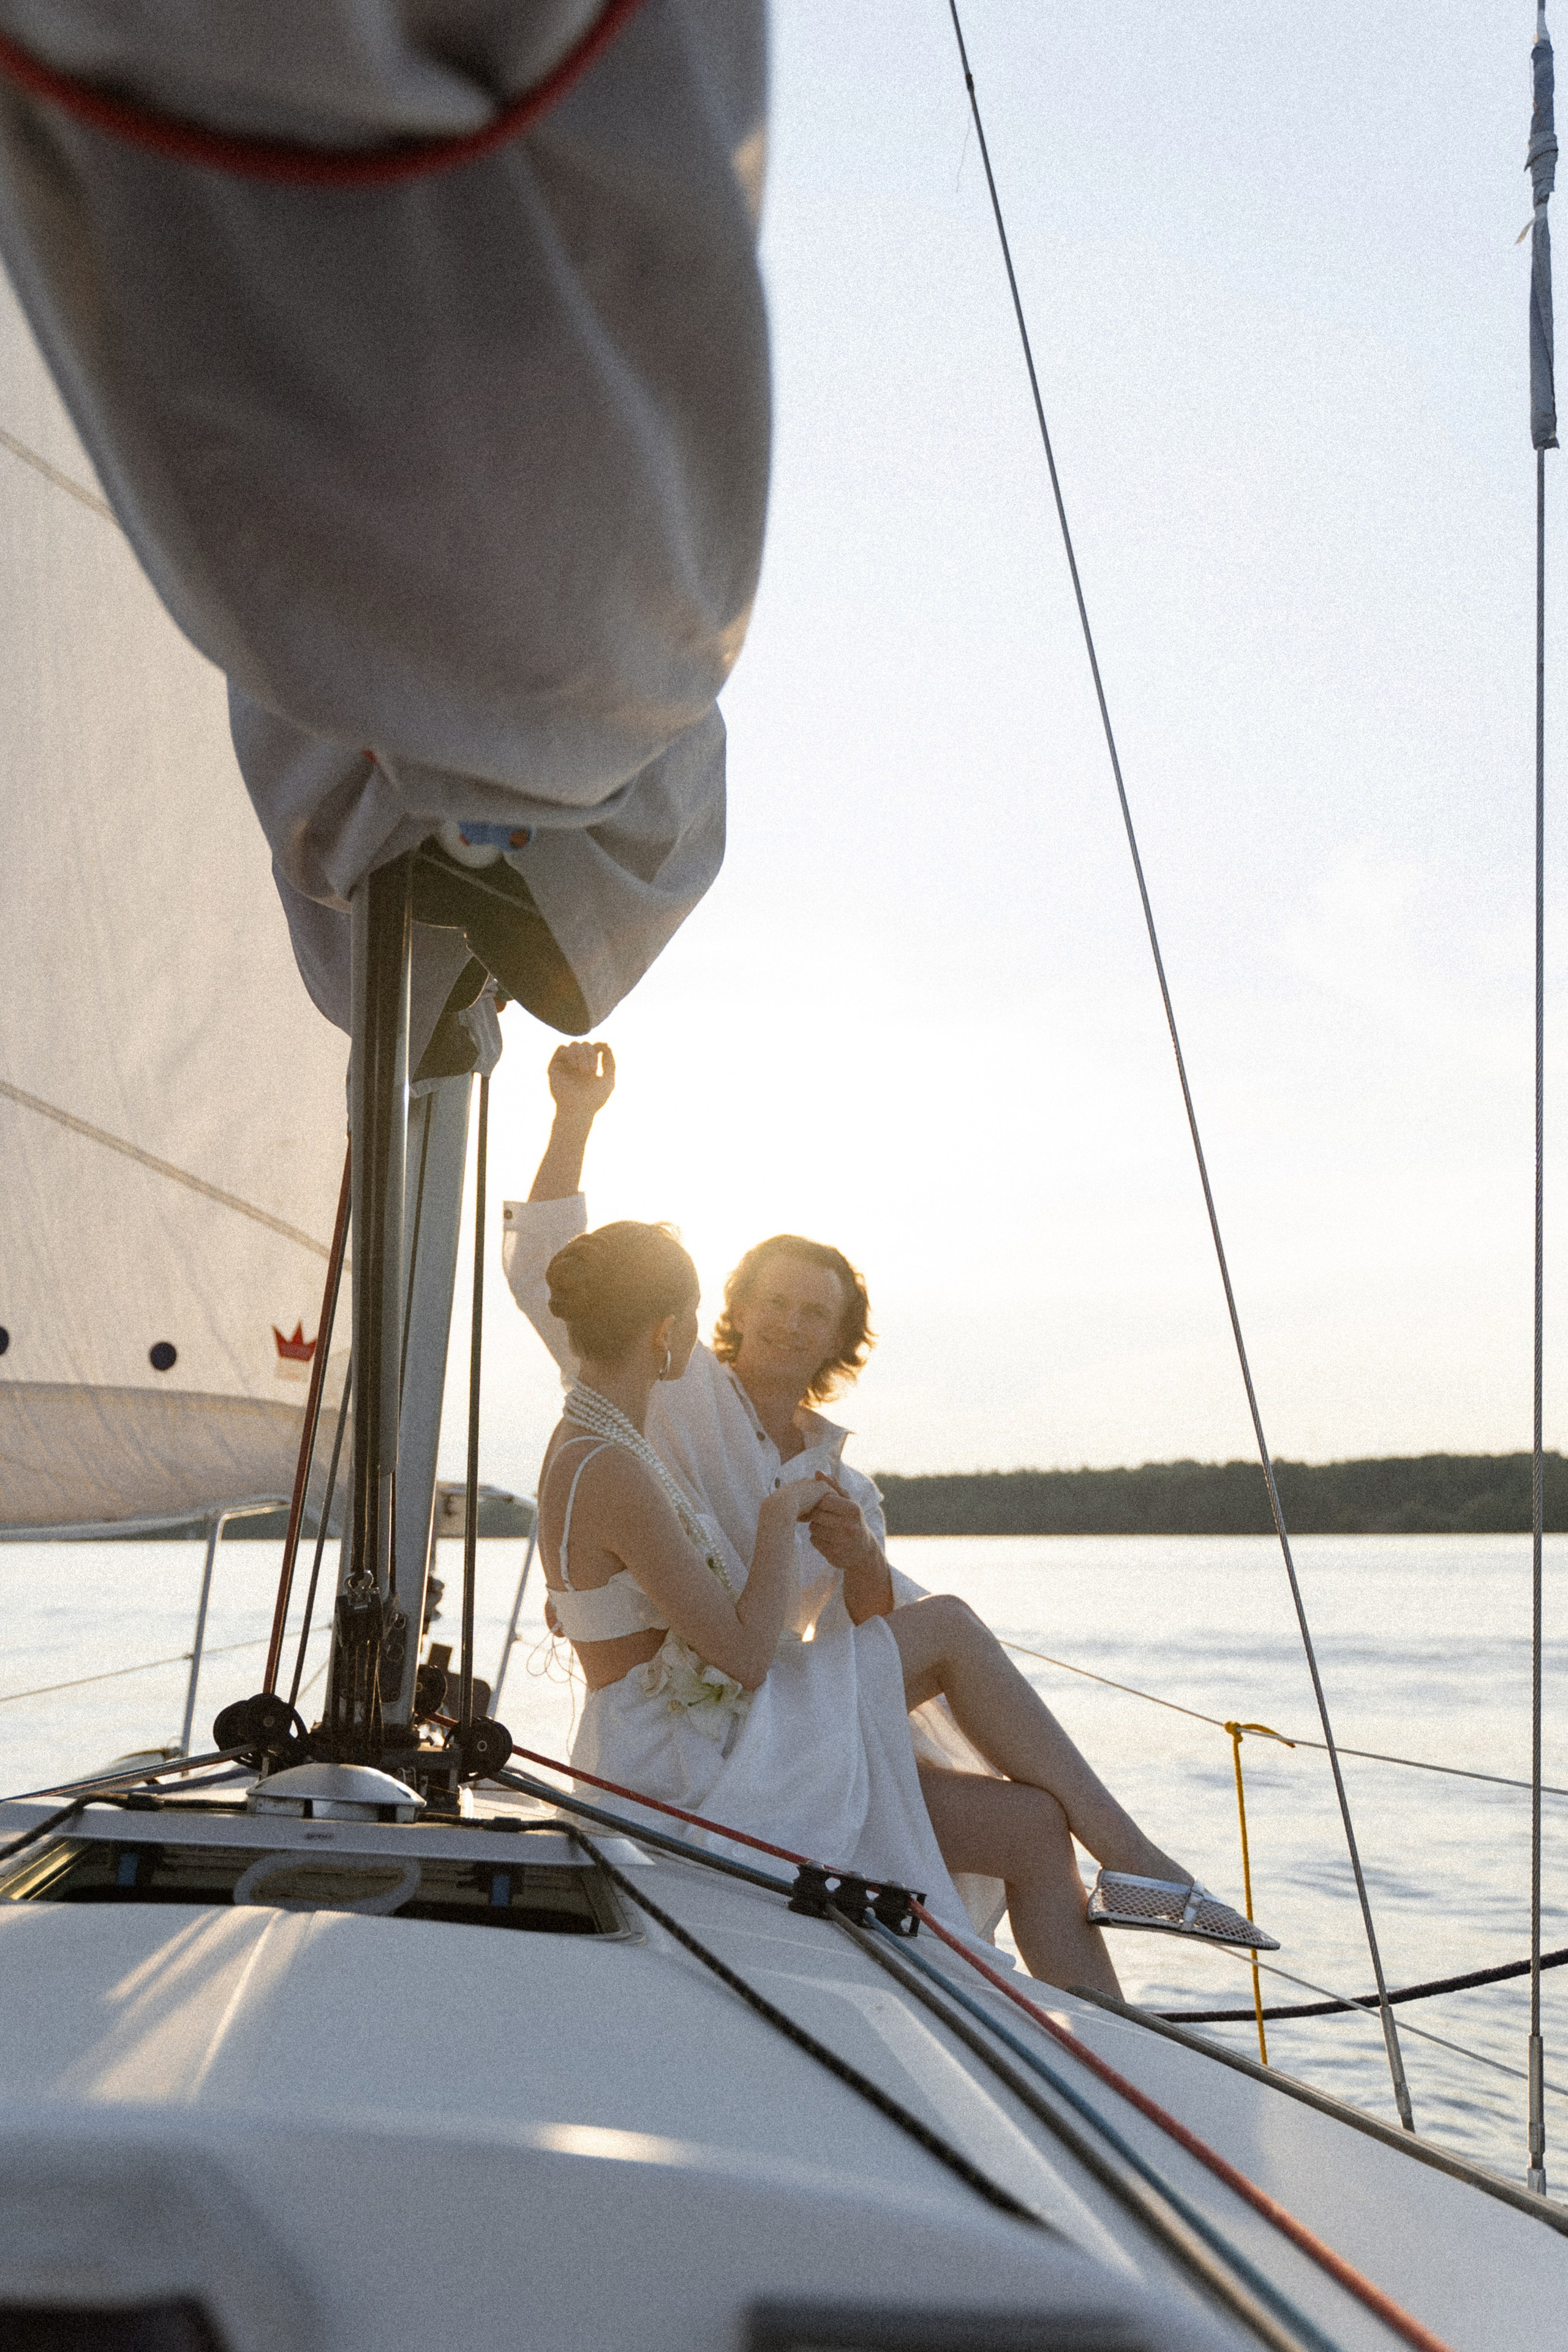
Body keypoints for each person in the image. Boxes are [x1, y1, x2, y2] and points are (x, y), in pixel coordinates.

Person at [507, 1046, 1275, 1989]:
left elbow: (862, 1637)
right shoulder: (669, 1398)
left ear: (839, 1338)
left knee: (1033, 1826)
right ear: (728, 1314)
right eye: (773, 1302)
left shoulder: (845, 1484)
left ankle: (1114, 2051)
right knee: (949, 1623)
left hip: (780, 1713)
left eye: (813, 1313)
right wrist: (575, 1118)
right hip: (716, 1738)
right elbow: (553, 1265)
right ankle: (1138, 1857)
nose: (790, 1323)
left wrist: (861, 1559)